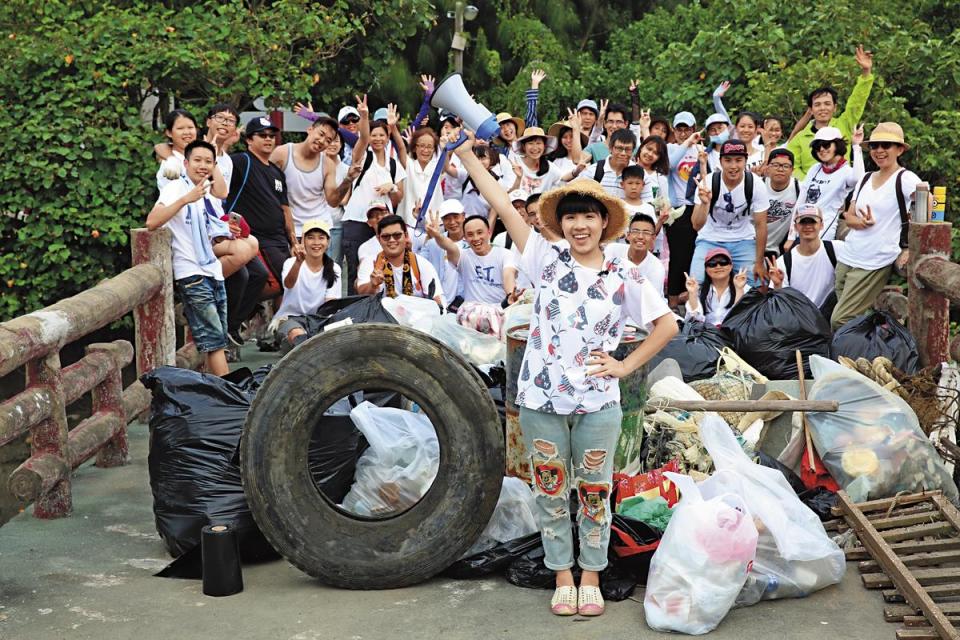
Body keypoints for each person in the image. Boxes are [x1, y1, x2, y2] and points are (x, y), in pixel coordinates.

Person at [453, 132, 677, 618]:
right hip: (540, 399)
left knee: (595, 490)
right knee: (551, 487)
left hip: (599, 402)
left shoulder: (623, 273)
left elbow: (667, 325)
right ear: (561, 222)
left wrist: (624, 365)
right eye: (571, 216)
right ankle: (562, 575)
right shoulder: (543, 256)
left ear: (604, 223)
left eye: (589, 216)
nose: (579, 225)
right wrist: (468, 155)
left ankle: (591, 575)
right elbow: (503, 205)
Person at [146, 140, 231, 376]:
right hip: (191, 273)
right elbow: (152, 222)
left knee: (218, 338)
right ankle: (233, 398)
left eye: (208, 161)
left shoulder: (208, 194)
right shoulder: (176, 188)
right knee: (215, 341)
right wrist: (186, 198)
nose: (202, 165)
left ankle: (222, 396)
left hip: (213, 270)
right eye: (197, 160)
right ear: (186, 163)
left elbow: (211, 229)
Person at [832, 122, 927, 328]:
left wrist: (910, 247)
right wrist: (861, 222)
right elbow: (848, 215)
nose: (879, 150)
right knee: (851, 318)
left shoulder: (905, 178)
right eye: (875, 146)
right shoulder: (866, 178)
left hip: (875, 260)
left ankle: (853, 358)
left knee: (840, 320)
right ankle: (863, 355)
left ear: (899, 149)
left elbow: (927, 210)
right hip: (849, 254)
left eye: (886, 145)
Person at [341, 96, 407, 295]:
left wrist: (392, 188)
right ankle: (355, 314)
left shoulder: (393, 164)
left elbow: (399, 196)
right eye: (374, 135)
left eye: (382, 135)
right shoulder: (363, 156)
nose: (377, 139)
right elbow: (361, 140)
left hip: (383, 225)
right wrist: (364, 116)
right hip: (357, 221)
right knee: (356, 271)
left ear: (388, 138)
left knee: (383, 269)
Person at [225, 116, 297, 286]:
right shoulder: (242, 161)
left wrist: (294, 242)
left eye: (271, 136)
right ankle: (242, 311)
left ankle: (250, 309)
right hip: (257, 238)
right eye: (262, 135)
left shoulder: (276, 172)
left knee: (289, 282)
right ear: (249, 139)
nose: (268, 139)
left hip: (280, 239)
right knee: (284, 282)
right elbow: (214, 163)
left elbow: (285, 208)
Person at [787, 45, 875, 179]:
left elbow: (857, 101)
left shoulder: (844, 124)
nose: (822, 108)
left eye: (827, 104)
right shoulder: (800, 137)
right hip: (811, 193)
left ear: (835, 108)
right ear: (811, 110)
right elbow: (792, 166)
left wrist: (866, 72)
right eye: (817, 104)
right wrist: (811, 184)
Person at [691, 140, 770, 285]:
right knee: (696, 282)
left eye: (738, 160)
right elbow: (696, 225)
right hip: (710, 238)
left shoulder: (756, 184)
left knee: (758, 283)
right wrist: (704, 203)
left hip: (743, 239)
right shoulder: (707, 183)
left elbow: (761, 225)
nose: (733, 166)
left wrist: (759, 262)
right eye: (728, 160)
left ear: (746, 160)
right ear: (720, 162)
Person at [425, 213, 518, 336]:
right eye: (470, 234)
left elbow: (508, 274)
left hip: (499, 314)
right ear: (465, 238)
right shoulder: (463, 256)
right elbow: (450, 246)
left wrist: (510, 294)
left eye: (480, 233)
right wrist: (437, 235)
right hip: (469, 318)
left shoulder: (505, 255)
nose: (475, 238)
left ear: (489, 233)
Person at [273, 219, 341, 353]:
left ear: (328, 242)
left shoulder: (335, 268)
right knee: (299, 336)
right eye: (310, 238)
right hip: (290, 318)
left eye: (321, 238)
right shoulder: (290, 262)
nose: (316, 243)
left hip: (319, 320)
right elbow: (288, 284)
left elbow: (330, 304)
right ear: (303, 241)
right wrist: (298, 262)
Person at [269, 115, 343, 238]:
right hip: (289, 227)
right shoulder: (282, 153)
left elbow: (333, 201)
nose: (322, 141)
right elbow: (266, 184)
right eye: (321, 134)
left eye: (328, 140)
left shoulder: (328, 164)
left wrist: (348, 179)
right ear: (310, 129)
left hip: (319, 228)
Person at [356, 214, 443, 306]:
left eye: (397, 235)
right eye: (386, 237)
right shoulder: (370, 262)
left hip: (416, 318)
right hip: (380, 318)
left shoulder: (422, 264)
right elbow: (361, 295)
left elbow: (436, 300)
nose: (392, 240)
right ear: (379, 239)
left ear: (405, 236)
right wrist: (372, 285)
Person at [767, 206, 842, 313]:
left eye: (812, 222)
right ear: (795, 227)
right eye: (803, 222)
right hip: (799, 318)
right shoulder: (783, 262)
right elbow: (780, 304)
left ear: (821, 225)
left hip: (829, 314)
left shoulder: (837, 249)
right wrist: (777, 285)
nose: (808, 226)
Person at [795, 125, 864, 241]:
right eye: (817, 146)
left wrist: (856, 146)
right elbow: (800, 201)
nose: (821, 149)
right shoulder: (814, 168)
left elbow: (859, 178)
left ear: (837, 145)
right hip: (802, 226)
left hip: (824, 228)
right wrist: (791, 236)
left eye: (826, 144)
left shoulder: (846, 171)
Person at [665, 111, 703, 306]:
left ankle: (691, 298)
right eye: (679, 129)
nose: (683, 133)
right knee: (678, 256)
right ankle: (672, 300)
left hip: (697, 206)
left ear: (693, 129)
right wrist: (687, 143)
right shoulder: (670, 148)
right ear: (674, 130)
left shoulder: (701, 149)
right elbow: (670, 165)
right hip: (677, 209)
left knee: (695, 254)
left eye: (686, 129)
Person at [604, 210, 667, 301]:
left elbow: (650, 302)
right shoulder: (612, 250)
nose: (640, 236)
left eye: (646, 232)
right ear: (628, 235)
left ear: (653, 238)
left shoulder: (656, 268)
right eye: (636, 231)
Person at [419, 199, 468, 310]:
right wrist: (430, 236)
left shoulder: (474, 242)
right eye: (447, 218)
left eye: (456, 216)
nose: (452, 222)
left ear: (463, 216)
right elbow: (419, 265)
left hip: (465, 306)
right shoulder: (432, 243)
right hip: (439, 304)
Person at [684, 248, 749, 326]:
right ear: (706, 269)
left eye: (723, 263)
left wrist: (739, 289)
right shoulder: (699, 290)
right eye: (712, 264)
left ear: (731, 266)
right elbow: (694, 321)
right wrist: (692, 293)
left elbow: (742, 318)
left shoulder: (745, 288)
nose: (718, 266)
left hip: (733, 334)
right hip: (707, 335)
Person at [399, 127, 444, 226]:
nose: (425, 150)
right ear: (415, 148)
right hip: (409, 223)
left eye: (429, 147)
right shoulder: (409, 165)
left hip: (435, 224)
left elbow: (447, 159)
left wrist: (446, 147)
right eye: (422, 146)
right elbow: (401, 147)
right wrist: (393, 128)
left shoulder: (437, 167)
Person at [763, 148, 801, 257]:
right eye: (775, 165)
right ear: (767, 167)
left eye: (786, 166)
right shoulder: (757, 186)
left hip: (781, 247)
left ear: (792, 170)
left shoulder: (800, 188)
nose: (780, 169)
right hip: (752, 244)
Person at [581, 129, 637, 199]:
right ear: (610, 148)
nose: (623, 153)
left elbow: (646, 204)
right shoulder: (593, 171)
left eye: (628, 149)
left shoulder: (640, 175)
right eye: (619, 148)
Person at [513, 127, 563, 195]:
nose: (535, 147)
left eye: (538, 143)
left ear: (544, 146)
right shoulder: (515, 164)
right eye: (530, 143)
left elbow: (562, 184)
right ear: (523, 147)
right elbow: (507, 194)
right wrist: (518, 178)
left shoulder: (551, 168)